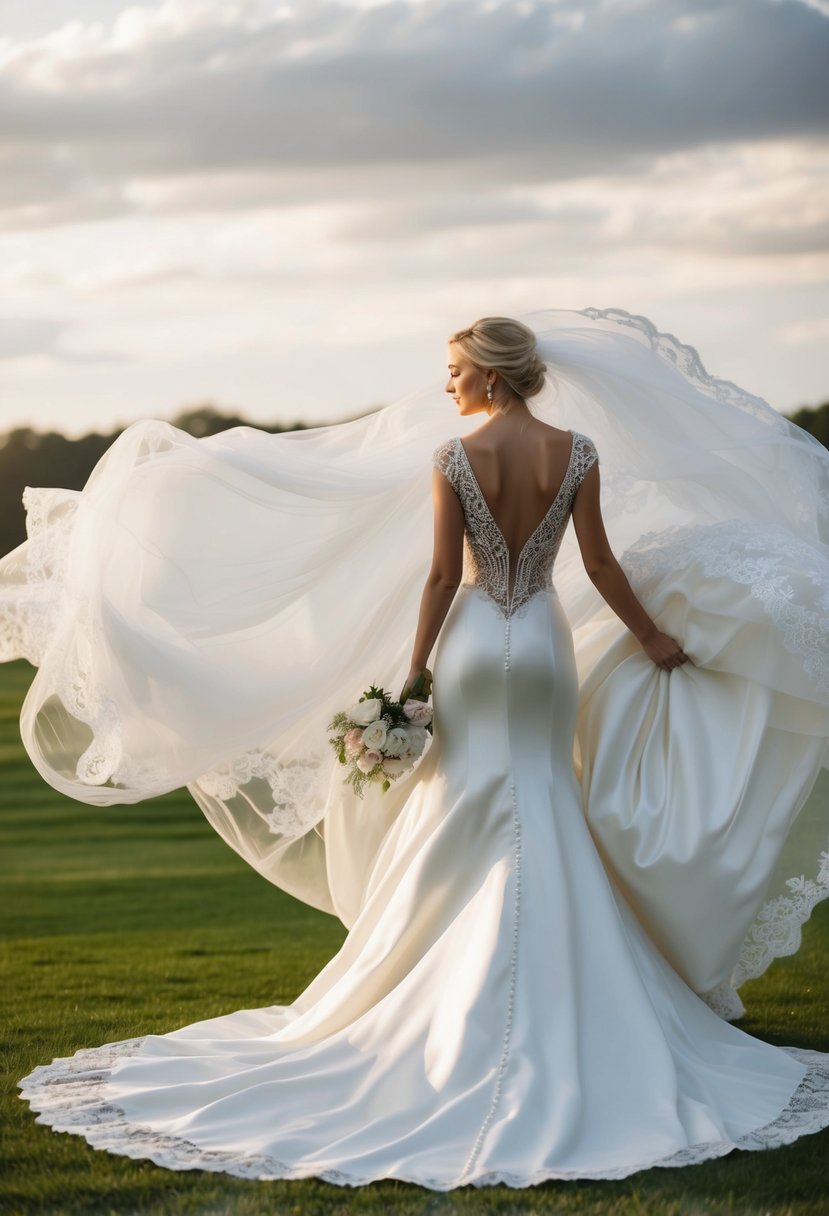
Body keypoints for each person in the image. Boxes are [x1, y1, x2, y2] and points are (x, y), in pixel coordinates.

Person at [6, 309, 829, 1187]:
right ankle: (568, 1004)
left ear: (489, 375)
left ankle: (445, 999)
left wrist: (409, 680)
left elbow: (443, 576)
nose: (446, 384)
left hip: (475, 643)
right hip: (544, 647)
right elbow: (597, 567)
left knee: (467, 807)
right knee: (541, 803)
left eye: (453, 370)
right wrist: (652, 638)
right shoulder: (577, 452)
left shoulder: (454, 458)